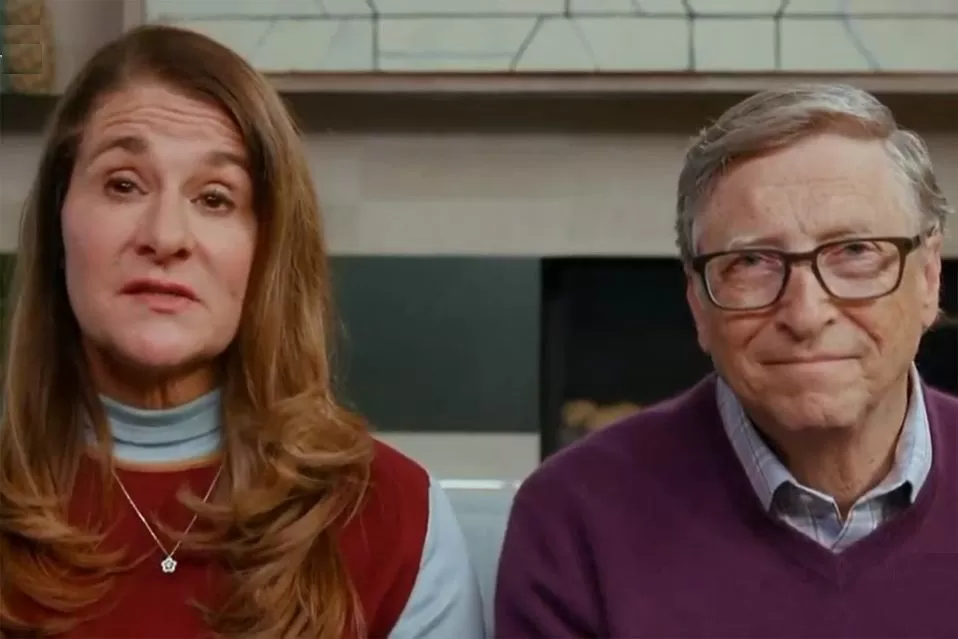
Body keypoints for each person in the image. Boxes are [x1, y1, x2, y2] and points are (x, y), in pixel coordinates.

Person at [0, 25, 484, 639]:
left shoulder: (395, 519)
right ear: (58, 224)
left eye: (215, 198)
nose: (166, 236)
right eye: (123, 184)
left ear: (266, 250)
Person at [495, 84, 957, 638]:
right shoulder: (573, 515)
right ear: (696, 301)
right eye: (752, 261)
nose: (806, 314)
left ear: (929, 277)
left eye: (855, 251)